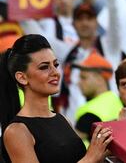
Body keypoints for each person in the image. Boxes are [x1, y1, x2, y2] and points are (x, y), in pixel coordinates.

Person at [0, 34, 112, 163]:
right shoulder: (17, 131)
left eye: (56, 65)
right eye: (44, 67)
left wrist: (102, 151)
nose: (55, 73)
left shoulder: (63, 119)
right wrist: (90, 158)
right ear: (22, 78)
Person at [73, 52, 124, 141]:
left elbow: (70, 145)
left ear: (99, 79)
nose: (78, 82)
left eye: (83, 77)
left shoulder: (90, 113)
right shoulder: (116, 100)